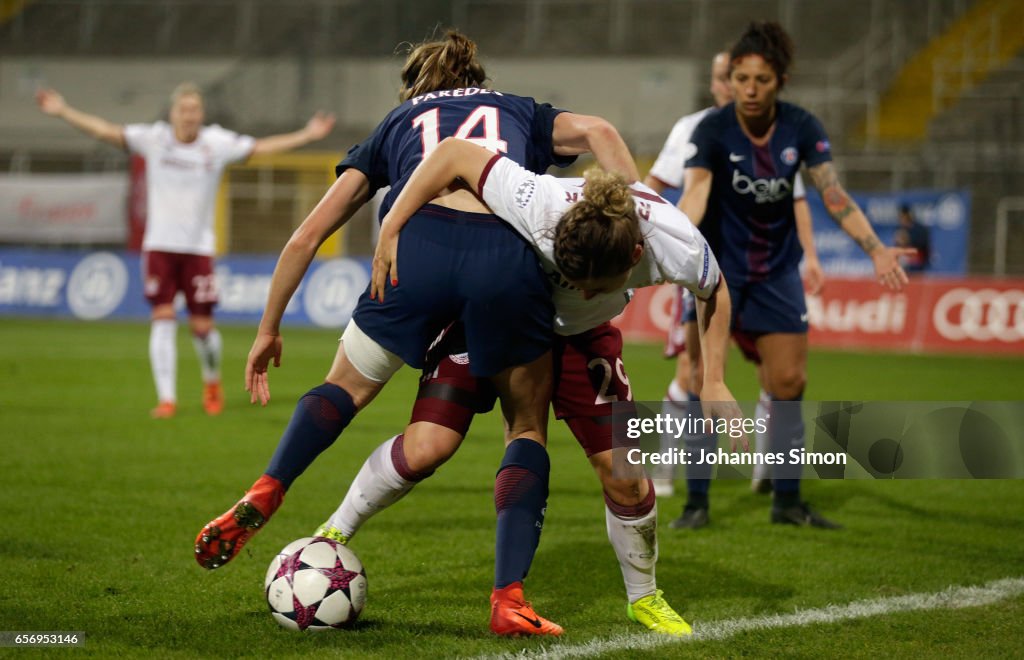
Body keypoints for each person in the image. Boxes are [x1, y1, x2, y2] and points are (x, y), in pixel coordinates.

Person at [193, 30, 638, 637]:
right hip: (503, 263)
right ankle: (508, 599)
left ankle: (271, 486)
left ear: (415, 88)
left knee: (344, 389)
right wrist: (636, 210)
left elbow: (306, 235)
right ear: (479, 76)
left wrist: (268, 328)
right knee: (526, 428)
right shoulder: (521, 111)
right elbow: (599, 133)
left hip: (412, 251)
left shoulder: (397, 122)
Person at [313, 135, 741, 637]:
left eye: (593, 286)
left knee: (626, 475)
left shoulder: (679, 242)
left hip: (584, 338)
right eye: (573, 276)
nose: (581, 290)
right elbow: (453, 153)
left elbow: (715, 291)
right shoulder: (538, 199)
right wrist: (392, 222)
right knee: (427, 447)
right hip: (503, 314)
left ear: (637, 254)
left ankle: (644, 598)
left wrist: (714, 379)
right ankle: (332, 531)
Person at [672, 21, 914, 530]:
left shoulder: (801, 128)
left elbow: (833, 195)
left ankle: (787, 501)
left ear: (780, 80)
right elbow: (693, 195)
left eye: (761, 79)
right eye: (741, 78)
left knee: (788, 380)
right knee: (699, 380)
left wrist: (874, 249)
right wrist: (669, 243)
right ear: (731, 80)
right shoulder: (711, 131)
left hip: (777, 273)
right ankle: (696, 503)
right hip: (718, 275)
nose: (750, 89)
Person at [35, 84, 336, 418]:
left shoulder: (216, 144)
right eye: (184, 110)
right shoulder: (154, 139)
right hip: (159, 246)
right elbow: (106, 131)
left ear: (201, 114)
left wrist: (307, 135)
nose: (189, 116)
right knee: (162, 319)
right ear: (173, 113)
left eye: (195, 110)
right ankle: (167, 399)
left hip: (198, 249)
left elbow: (261, 147)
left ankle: (211, 383)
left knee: (202, 328)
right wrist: (63, 111)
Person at [643, 52, 824, 503]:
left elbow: (795, 198)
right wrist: (655, 240)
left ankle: (768, 471)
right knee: (693, 370)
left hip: (765, 274)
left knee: (776, 376)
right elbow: (656, 186)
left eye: (741, 77)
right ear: (717, 82)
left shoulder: (773, 131)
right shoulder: (692, 127)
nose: (733, 86)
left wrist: (813, 256)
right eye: (726, 77)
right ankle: (666, 470)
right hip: (708, 268)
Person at [895, 203, 930, 272]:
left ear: (907, 215)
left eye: (902, 216)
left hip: (918, 261)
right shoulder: (899, 229)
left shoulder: (920, 229)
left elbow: (924, 245)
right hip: (904, 260)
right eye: (900, 217)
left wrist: (908, 240)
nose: (901, 219)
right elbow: (898, 246)